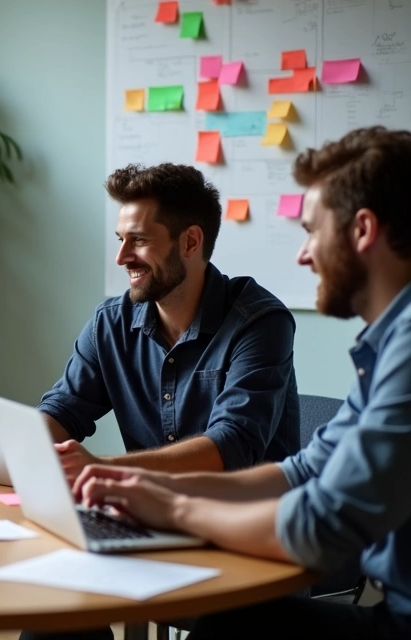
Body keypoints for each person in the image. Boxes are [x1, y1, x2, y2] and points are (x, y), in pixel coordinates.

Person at [75, 127, 411, 639]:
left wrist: (174, 507)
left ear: (362, 230)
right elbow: (302, 472)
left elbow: (317, 525)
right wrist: (144, 486)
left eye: (311, 231)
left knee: (236, 627)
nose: (303, 255)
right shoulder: (387, 344)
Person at [39, 163, 299, 483]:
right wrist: (14, 448)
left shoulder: (260, 322)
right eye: (121, 239)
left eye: (138, 240)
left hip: (246, 510)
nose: (121, 257)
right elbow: (63, 410)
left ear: (190, 242)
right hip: (146, 507)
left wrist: (103, 468)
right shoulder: (109, 324)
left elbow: (232, 444)